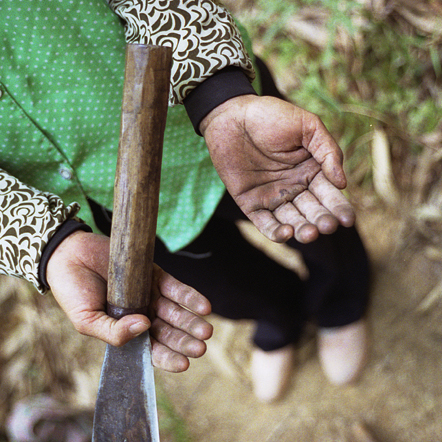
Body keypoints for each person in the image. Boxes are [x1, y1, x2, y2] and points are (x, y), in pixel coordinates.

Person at [0, 0, 369, 402]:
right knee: (220, 285)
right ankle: (280, 317)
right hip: (92, 212)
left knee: (314, 223)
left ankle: (341, 300)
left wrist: (218, 93)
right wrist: (43, 242)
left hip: (208, 120)